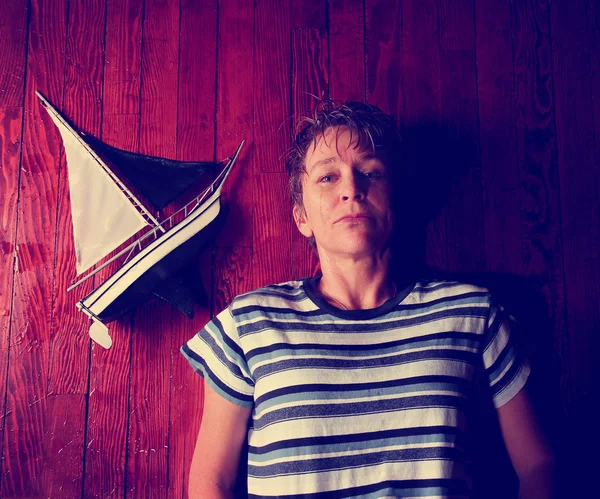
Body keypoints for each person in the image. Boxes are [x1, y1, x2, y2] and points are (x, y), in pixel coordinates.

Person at [180, 101, 556, 499]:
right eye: (327, 177)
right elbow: (210, 480)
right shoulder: (249, 323)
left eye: (371, 172)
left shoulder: (473, 314)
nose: (351, 189)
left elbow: (538, 465)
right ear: (301, 217)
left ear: (395, 199)